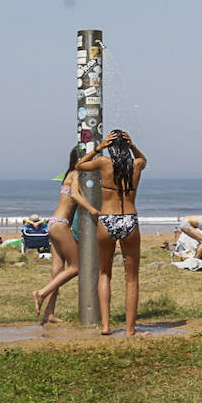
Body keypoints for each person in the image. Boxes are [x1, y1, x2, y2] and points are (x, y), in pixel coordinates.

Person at [77, 129, 147, 337]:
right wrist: (133, 146)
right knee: (132, 278)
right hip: (129, 219)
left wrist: (99, 148)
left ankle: (106, 326)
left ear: (110, 146)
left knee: (105, 273)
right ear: (127, 146)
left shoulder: (103, 163)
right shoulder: (136, 165)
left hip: (107, 219)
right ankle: (130, 330)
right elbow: (144, 159)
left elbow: (79, 166)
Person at [31, 146, 101, 324]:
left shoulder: (68, 174)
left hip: (53, 223)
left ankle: (49, 314)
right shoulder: (76, 173)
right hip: (61, 225)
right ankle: (42, 293)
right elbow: (76, 196)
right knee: (76, 266)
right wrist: (93, 210)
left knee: (57, 272)